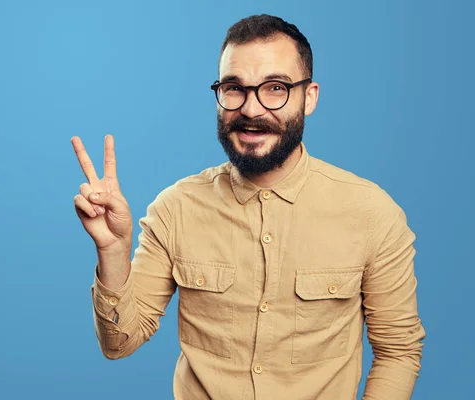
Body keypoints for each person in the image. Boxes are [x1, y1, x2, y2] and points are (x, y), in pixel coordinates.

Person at [71, 14, 425, 400]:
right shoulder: (175, 209)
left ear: (309, 97)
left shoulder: (372, 213)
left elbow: (398, 352)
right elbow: (119, 343)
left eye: (275, 88)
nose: (252, 109)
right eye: (234, 88)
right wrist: (113, 252)